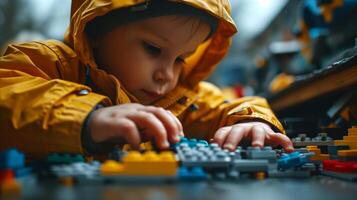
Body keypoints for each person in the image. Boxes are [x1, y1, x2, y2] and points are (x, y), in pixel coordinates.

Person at [0, 0, 294, 159]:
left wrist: (250, 121)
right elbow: (8, 92)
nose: (167, 74)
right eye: (153, 49)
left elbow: (230, 105)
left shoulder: (181, 97)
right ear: (97, 30)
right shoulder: (50, 64)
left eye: (182, 58)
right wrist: (87, 117)